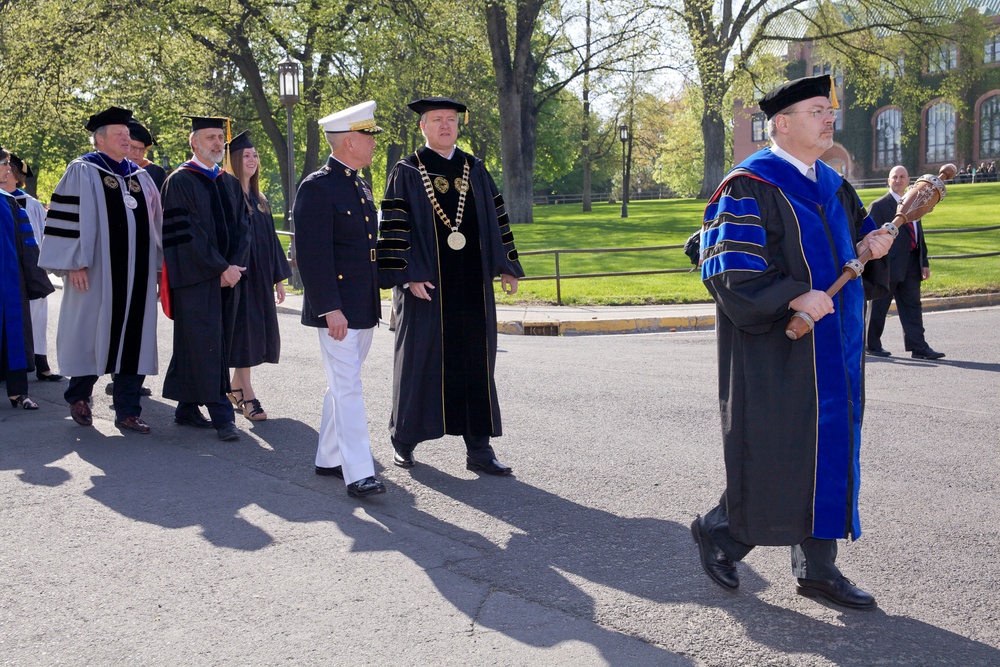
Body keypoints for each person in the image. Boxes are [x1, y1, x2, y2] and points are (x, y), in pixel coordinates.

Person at [691, 75, 893, 610]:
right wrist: (792, 297)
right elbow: (729, 271)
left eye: (831, 111)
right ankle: (722, 531)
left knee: (829, 452)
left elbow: (850, 261)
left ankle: (819, 569)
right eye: (816, 111)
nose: (829, 119)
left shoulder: (832, 184)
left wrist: (871, 245)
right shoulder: (750, 184)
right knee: (779, 454)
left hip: (837, 353)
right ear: (781, 123)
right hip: (777, 350)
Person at [377, 97, 524, 476]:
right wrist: (407, 274)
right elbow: (394, 229)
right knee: (418, 362)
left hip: (473, 286)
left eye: (451, 120)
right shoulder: (407, 171)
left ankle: (479, 448)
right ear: (422, 127)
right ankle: (404, 441)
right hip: (426, 287)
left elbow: (496, 219)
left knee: (477, 363)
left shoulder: (474, 168)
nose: (445, 126)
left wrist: (506, 266)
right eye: (437, 120)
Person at [36, 107, 161, 432]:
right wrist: (72, 263)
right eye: (119, 135)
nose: (126, 138)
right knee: (90, 335)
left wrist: (159, 268)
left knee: (134, 339)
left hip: (138, 277)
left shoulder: (140, 177)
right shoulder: (82, 170)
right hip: (94, 274)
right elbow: (67, 220)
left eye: (127, 134)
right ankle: (79, 397)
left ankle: (128, 410)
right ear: (101, 139)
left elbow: (156, 226)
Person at [293, 101, 385, 499]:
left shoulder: (359, 184)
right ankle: (359, 471)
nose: (374, 144)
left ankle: (329, 456)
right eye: (369, 136)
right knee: (348, 387)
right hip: (338, 308)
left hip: (360, 304)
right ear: (349, 142)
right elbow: (312, 255)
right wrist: (329, 307)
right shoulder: (317, 187)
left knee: (342, 384)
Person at [160, 115, 249, 441]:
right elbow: (188, 236)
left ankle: (186, 406)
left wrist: (235, 267)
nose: (217, 143)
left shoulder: (228, 182)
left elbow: (244, 229)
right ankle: (222, 413)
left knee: (204, 343)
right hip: (196, 279)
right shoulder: (180, 181)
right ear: (193, 142)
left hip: (229, 277)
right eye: (210, 137)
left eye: (219, 138)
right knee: (206, 342)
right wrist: (219, 269)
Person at [226, 130, 291, 421]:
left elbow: (272, 242)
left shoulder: (260, 198)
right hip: (240, 278)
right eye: (246, 155)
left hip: (261, 278)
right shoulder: (227, 194)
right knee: (244, 336)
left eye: (255, 156)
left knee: (254, 335)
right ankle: (248, 396)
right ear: (234, 160)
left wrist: (279, 278)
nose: (252, 160)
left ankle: (234, 390)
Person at [865, 166, 945, 360]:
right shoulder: (879, 206)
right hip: (888, 265)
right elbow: (870, 237)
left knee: (912, 307)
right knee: (879, 306)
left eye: (902, 177)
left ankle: (918, 347)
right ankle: (872, 344)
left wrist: (923, 261)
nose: (898, 180)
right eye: (895, 177)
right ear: (888, 181)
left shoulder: (915, 202)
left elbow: (919, 236)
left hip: (911, 264)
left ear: (909, 180)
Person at [0, 152, 62, 382]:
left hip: (31, 268)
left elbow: (40, 236)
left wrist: (44, 267)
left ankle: (40, 362)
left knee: (37, 318)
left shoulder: (30, 203)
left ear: (17, 177)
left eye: (10, 171)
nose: (6, 174)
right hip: (9, 269)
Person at [127, 120, 168, 191]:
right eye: (133, 148)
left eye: (141, 149)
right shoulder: (110, 169)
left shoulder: (156, 173)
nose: (137, 153)